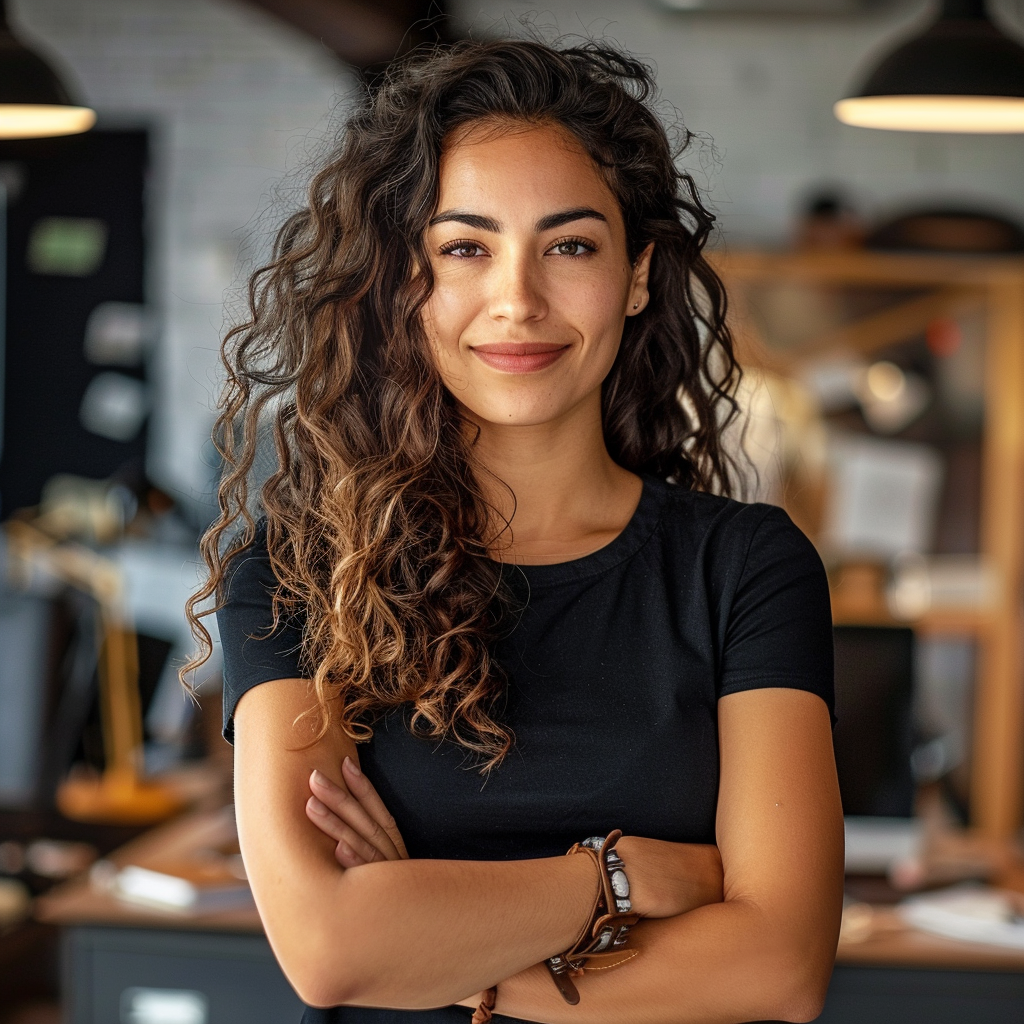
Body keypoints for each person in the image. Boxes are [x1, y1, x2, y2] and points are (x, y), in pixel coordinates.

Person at [185, 37, 843, 1024]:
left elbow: (777, 966)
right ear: (404, 285)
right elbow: (329, 951)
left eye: (570, 245)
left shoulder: (746, 569)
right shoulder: (295, 576)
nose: (517, 300)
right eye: (465, 248)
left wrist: (451, 960)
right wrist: (611, 879)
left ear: (634, 275)